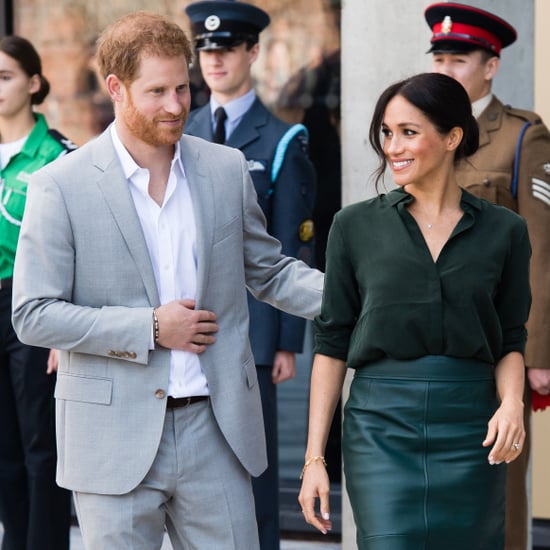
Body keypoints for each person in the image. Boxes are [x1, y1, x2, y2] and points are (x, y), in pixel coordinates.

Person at [11, 11, 324, 550]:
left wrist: (364, 297)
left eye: (183, 87)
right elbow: (33, 313)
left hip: (217, 431)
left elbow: (269, 270)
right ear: (116, 88)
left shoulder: (226, 169)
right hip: (110, 438)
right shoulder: (58, 186)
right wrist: (151, 328)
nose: (178, 105)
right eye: (157, 91)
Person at [298, 72, 531, 549]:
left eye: (408, 132)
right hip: (381, 428)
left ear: (452, 137)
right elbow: (332, 342)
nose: (392, 147)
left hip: (473, 429)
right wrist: (314, 459)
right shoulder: (353, 226)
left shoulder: (505, 231)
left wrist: (512, 405)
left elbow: (510, 339)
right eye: (387, 132)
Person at [184, 2, 317, 549]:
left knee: (254, 467)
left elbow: (292, 242)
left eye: (228, 50)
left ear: (252, 52)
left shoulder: (283, 139)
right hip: (188, 323)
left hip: (254, 329)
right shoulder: (183, 127)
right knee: (196, 470)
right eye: (207, 51)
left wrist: (286, 340)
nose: (215, 61)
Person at [424, 4, 550, 548]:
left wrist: (539, 351)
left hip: (499, 342)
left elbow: (542, 250)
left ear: (490, 67)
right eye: (439, 60)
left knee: (499, 483)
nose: (446, 71)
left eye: (459, 60)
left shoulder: (523, 137)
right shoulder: (421, 133)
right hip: (429, 340)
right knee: (436, 488)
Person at [0, 35, 76, 550]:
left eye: (4, 77)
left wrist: (63, 329)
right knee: (2, 447)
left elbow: (77, 247)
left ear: (33, 82)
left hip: (30, 303)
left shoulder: (57, 155)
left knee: (40, 445)